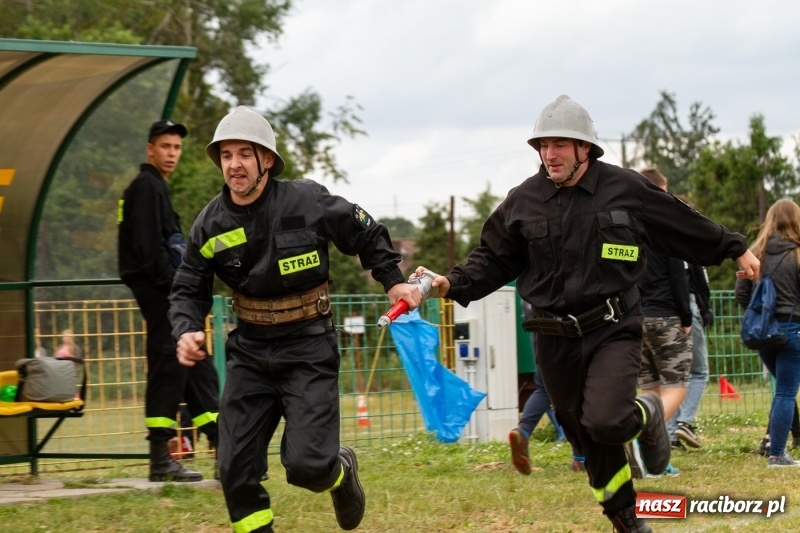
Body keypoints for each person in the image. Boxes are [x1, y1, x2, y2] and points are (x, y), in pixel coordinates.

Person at [414, 95, 759, 532]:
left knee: (608, 420)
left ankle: (649, 414)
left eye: (560, 144)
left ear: (584, 149)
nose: (549, 154)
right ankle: (626, 518)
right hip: (552, 336)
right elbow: (492, 258)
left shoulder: (625, 188)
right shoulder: (523, 200)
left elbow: (680, 221)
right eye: (543, 144)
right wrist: (450, 282)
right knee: (583, 433)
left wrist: (734, 247)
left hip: (612, 326)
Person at [169, 106, 419, 533]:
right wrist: (187, 328)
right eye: (226, 156)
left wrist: (391, 280)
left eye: (244, 154)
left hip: (308, 347)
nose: (234, 165)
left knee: (307, 467)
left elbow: (364, 231)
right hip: (249, 353)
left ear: (266, 159)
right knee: (234, 469)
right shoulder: (209, 224)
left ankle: (340, 471)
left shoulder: (306, 201)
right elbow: (189, 285)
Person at [118, 119, 220, 482]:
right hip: (161, 294)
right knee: (169, 368)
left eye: (176, 148)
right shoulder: (147, 187)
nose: (172, 154)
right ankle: (161, 459)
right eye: (166, 147)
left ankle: (223, 445)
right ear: (151, 149)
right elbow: (148, 252)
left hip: (168, 294)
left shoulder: (154, 187)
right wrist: (179, 290)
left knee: (193, 361)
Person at [633, 167, 693, 478]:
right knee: (678, 387)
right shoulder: (667, 228)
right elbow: (679, 277)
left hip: (636, 317)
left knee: (650, 388)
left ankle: (655, 462)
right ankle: (639, 431)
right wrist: (686, 317)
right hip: (667, 316)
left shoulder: (628, 227)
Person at [735, 198, 800, 467]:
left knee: (781, 391)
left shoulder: (756, 252)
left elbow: (742, 296)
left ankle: (772, 446)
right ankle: (777, 454)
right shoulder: (798, 253)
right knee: (786, 392)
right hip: (792, 329)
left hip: (763, 333)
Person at [510, 302, 586, 475]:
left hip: (536, 323)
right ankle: (580, 458)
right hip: (566, 323)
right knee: (577, 388)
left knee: (543, 388)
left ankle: (523, 431)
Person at [667, 261, 712, 450]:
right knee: (699, 372)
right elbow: (698, 284)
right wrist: (704, 310)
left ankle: (671, 436)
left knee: (673, 377)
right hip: (687, 309)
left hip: (662, 311)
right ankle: (684, 422)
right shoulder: (688, 251)